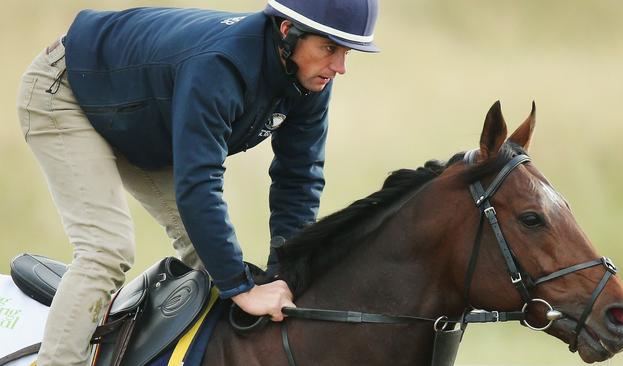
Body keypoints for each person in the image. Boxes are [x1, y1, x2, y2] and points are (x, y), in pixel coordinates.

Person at [16, 0, 379, 364]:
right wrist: (242, 288)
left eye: (347, 51)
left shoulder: (311, 79)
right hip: (67, 92)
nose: (340, 67)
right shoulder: (220, 64)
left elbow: (298, 179)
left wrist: (282, 275)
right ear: (287, 33)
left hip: (139, 112)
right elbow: (198, 184)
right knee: (107, 249)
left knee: (213, 262)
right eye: (329, 48)